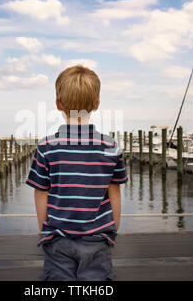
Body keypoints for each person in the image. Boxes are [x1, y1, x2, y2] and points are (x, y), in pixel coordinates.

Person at [26, 65, 128, 281]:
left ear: (58, 104)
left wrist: (43, 226)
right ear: (96, 104)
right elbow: (114, 193)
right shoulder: (110, 146)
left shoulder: (47, 146)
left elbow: (41, 193)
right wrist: (112, 229)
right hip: (97, 239)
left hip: (58, 239)